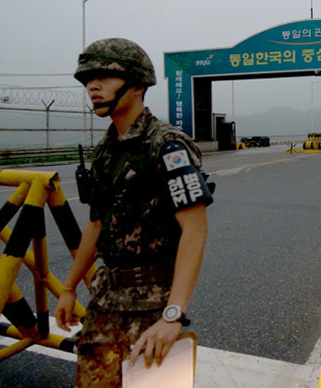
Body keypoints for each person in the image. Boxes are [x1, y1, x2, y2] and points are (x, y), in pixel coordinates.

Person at [54, 37, 213, 387]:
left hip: (154, 306)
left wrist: (173, 315)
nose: (92, 86)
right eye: (87, 80)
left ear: (138, 83)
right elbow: (96, 224)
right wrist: (68, 288)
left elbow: (195, 229)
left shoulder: (167, 145)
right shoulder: (104, 153)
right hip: (105, 304)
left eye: (104, 77)